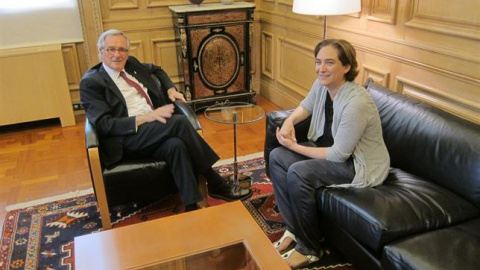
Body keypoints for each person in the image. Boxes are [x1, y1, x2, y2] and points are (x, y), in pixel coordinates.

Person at [80, 29, 252, 212]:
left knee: (175, 145)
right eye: (111, 49)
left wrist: (170, 89)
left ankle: (192, 206)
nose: (117, 55)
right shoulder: (92, 82)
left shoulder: (131, 65)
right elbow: (104, 125)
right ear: (101, 52)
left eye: (122, 50)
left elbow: (157, 70)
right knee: (179, 123)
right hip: (126, 137)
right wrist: (144, 118)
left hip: (153, 129)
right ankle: (215, 181)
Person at [269, 39, 390, 269]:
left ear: (346, 67)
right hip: (331, 152)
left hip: (357, 164)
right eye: (318, 62)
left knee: (298, 172)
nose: (321, 68)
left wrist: (294, 146)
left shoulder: (357, 102)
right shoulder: (322, 85)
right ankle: (294, 229)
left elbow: (338, 155)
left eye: (329, 63)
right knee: (277, 156)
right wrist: (289, 122)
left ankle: (310, 249)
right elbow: (306, 105)